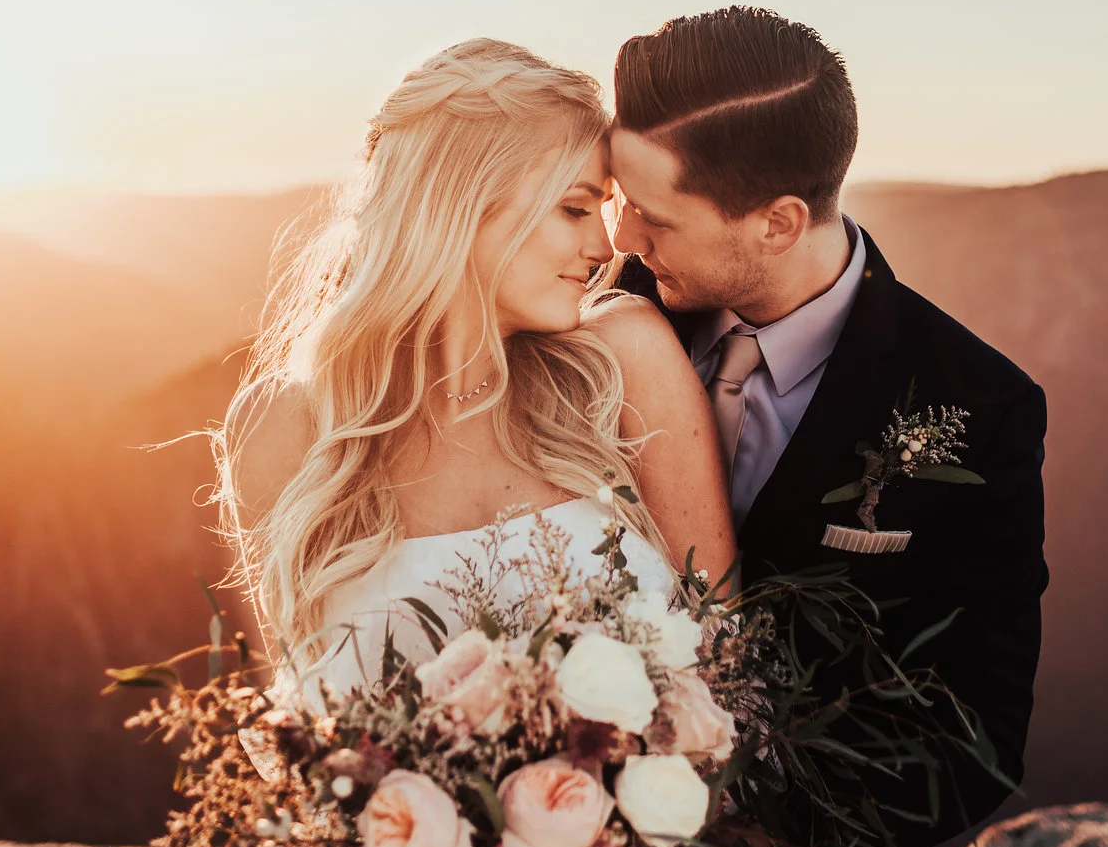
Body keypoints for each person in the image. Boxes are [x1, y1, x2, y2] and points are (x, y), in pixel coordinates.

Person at [609, 7, 1049, 847]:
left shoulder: (978, 403)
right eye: (615, 200)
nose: (620, 239)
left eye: (653, 215)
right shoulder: (592, 322)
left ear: (777, 222)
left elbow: (977, 731)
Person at [214, 37, 736, 698]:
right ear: (462, 201)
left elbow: (729, 672)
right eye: (575, 208)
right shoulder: (285, 426)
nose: (603, 246)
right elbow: (309, 736)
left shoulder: (621, 361)